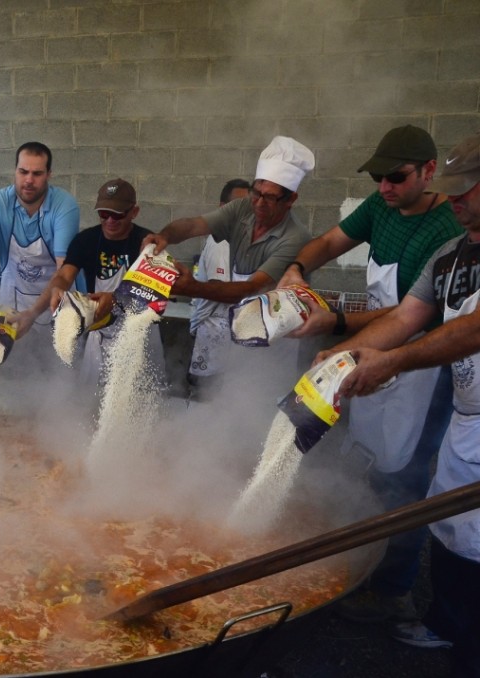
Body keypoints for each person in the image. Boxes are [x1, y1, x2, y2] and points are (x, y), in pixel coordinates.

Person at [278, 125, 463, 624]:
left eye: (396, 177)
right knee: (366, 460)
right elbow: (330, 241)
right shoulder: (382, 206)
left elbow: (412, 316)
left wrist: (336, 328)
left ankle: (395, 591)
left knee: (404, 476)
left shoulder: (446, 230)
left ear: (428, 171)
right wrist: (297, 270)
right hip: (379, 346)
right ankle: (363, 564)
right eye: (378, 177)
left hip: (426, 368)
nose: (384, 187)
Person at [323, 132, 480, 673]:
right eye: (454, 190)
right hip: (468, 414)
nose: (457, 200)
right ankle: (447, 629)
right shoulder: (452, 253)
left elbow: (473, 330)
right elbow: (407, 318)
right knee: (452, 529)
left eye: (468, 188)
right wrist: (339, 356)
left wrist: (391, 362)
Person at [145, 136, 315, 392]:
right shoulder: (242, 209)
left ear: (290, 200)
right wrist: (165, 236)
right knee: (230, 398)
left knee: (259, 402)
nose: (258, 203)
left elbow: (249, 289)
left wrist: (189, 288)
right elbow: (193, 225)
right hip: (242, 325)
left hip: (276, 337)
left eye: (270, 198)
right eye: (257, 192)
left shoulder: (295, 238)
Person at [0, 142, 79, 366]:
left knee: (56, 373)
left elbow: (64, 271)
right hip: (13, 303)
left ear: (49, 175)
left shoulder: (64, 207)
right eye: (23, 172)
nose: (29, 180)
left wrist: (32, 314)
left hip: (56, 304)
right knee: (13, 374)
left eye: (37, 173)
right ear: (15, 171)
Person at [35, 178, 156, 384]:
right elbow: (65, 274)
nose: (110, 220)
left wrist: (116, 299)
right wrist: (58, 288)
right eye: (104, 214)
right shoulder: (86, 240)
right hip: (100, 334)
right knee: (92, 402)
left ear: (134, 212)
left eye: (118, 214)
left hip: (139, 335)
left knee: (137, 402)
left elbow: (156, 292)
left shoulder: (148, 242)